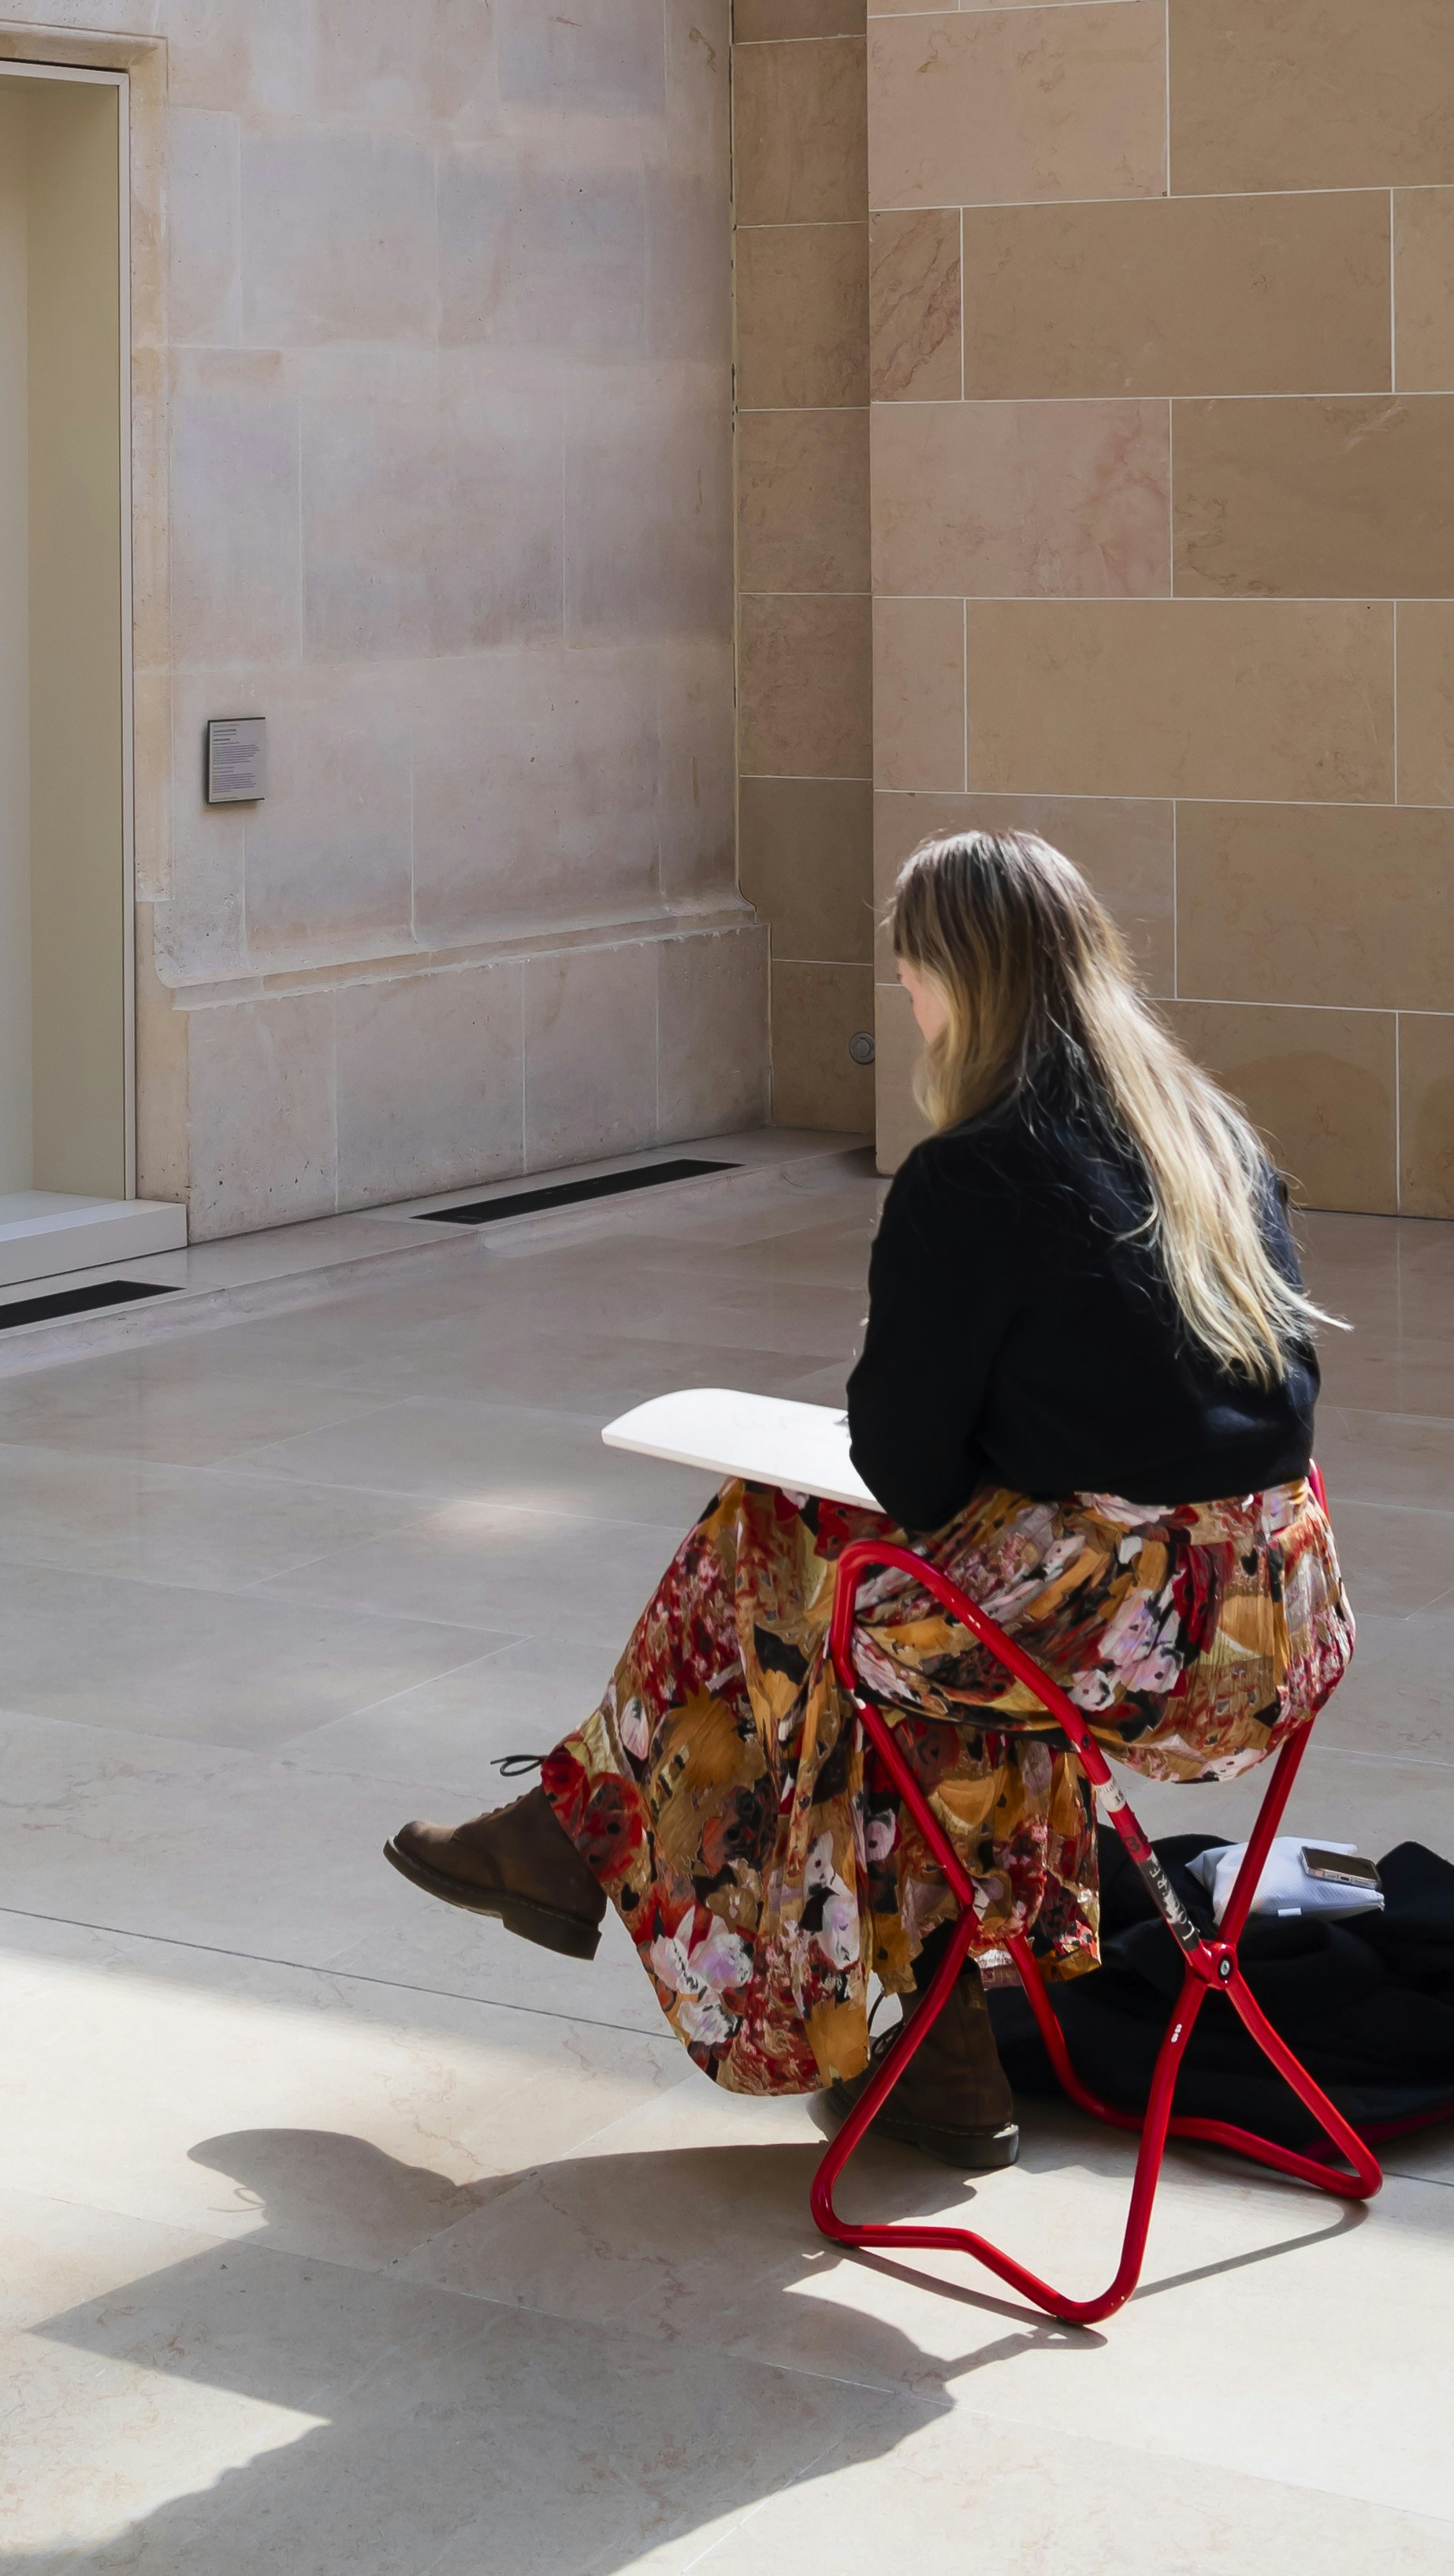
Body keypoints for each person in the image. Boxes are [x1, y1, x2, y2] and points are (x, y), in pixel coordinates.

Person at [383, 829, 1354, 2172]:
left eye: (907, 978)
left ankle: (578, 1832)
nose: (905, 1006)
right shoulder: (1208, 1135)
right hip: (1260, 1626)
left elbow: (906, 1463)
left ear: (954, 981)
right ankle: (922, 2037)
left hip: (1113, 1636)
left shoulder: (977, 1174)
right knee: (883, 1632)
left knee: (788, 1556)